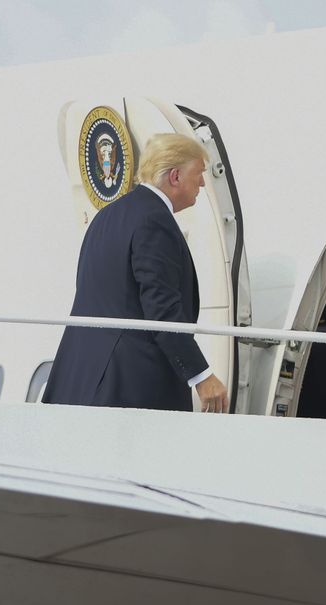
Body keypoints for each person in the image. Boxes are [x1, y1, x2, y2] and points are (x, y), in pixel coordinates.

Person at [43, 133, 229, 413]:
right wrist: (201, 376)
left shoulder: (105, 216)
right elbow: (162, 310)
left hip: (80, 379)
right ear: (176, 177)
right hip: (129, 387)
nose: (202, 182)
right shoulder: (155, 221)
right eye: (198, 173)